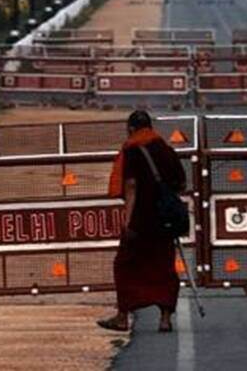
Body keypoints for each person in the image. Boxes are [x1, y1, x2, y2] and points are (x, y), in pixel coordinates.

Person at [97, 110, 186, 333]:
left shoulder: (132, 150)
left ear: (130, 128)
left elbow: (131, 187)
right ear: (150, 127)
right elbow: (180, 183)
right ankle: (165, 319)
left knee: (125, 265)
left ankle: (122, 316)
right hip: (164, 220)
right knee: (164, 266)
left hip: (140, 219)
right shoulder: (166, 150)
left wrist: (128, 220)